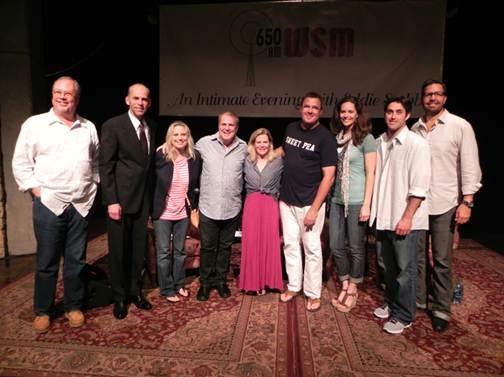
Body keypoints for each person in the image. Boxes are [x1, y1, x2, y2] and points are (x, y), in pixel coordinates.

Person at [12, 76, 100, 332]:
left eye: (68, 93)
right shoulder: (35, 124)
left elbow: (95, 161)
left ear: (77, 98)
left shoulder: (88, 127)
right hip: (49, 203)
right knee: (47, 261)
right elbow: (21, 162)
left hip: (81, 204)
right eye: (58, 92)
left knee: (76, 260)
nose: (63, 97)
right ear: (52, 95)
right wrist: (36, 190)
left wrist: (93, 186)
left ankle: (73, 306)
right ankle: (43, 310)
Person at [411, 79, 482, 332]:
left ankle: (440, 308)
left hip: (445, 202)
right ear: (422, 98)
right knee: (417, 256)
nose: (432, 98)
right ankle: (419, 299)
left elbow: (470, 166)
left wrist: (467, 202)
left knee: (441, 259)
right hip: (418, 203)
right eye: (428, 94)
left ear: (445, 98)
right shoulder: (415, 127)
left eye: (437, 94)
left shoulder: (459, 126)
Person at [370, 96, 431, 335]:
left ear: (407, 115)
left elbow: (419, 186)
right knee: (387, 266)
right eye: (389, 111)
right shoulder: (380, 142)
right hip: (384, 216)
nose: (392, 116)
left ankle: (404, 315)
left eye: (398, 112)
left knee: (406, 270)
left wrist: (407, 217)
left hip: (405, 218)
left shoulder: (417, 144)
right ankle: (391, 303)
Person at [99, 83, 156, 319]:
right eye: (136, 98)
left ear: (149, 103)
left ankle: (135, 291)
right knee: (119, 251)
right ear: (127, 100)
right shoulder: (113, 125)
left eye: (144, 99)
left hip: (142, 200)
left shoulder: (151, 126)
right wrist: (111, 200)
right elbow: (106, 165)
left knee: (137, 250)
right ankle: (119, 297)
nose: (140, 102)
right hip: (120, 201)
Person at [278, 92, 338, 312]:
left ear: (320, 112)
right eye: (306, 106)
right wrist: (258, 155)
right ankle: (294, 286)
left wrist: (314, 208)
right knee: (291, 244)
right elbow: (283, 152)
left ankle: (313, 293)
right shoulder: (291, 128)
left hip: (309, 204)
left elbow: (329, 176)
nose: (310, 110)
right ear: (300, 108)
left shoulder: (326, 138)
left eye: (315, 107)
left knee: (311, 248)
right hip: (287, 200)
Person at [328, 96, 377, 313]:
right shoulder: (337, 137)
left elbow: (371, 173)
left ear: (358, 113)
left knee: (356, 248)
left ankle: (353, 287)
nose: (346, 115)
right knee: (335, 245)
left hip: (357, 201)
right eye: (343, 111)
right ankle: (345, 281)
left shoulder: (367, 138)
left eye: (350, 111)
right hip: (337, 200)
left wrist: (367, 204)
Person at [195, 111, 247, 301]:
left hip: (231, 207)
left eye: (231, 125)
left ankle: (221, 281)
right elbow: (183, 153)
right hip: (208, 206)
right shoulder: (203, 144)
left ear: (236, 127)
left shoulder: (244, 148)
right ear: (218, 125)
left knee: (225, 247)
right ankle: (205, 283)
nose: (226, 128)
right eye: (223, 124)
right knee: (208, 247)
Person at [152, 121, 201, 302]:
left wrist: (193, 205)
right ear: (170, 138)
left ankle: (179, 284)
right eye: (176, 135)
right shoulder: (160, 155)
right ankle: (166, 289)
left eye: (183, 135)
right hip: (163, 213)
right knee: (164, 252)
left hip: (182, 213)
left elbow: (195, 186)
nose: (180, 138)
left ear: (188, 138)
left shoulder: (194, 158)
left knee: (179, 252)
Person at [239, 128, 283, 295]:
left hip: (270, 204)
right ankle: (253, 283)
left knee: (269, 243)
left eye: (265, 142)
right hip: (252, 203)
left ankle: (268, 281)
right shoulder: (246, 161)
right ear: (253, 144)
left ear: (270, 144)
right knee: (252, 243)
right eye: (259, 142)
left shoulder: (278, 161)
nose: (262, 145)